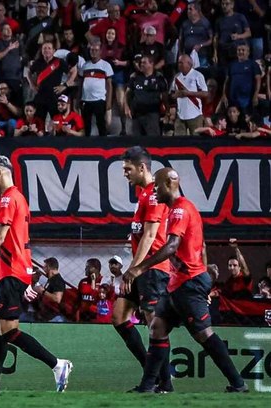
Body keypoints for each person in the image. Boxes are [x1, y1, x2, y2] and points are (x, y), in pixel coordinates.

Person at [123, 167, 247, 393]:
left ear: (170, 184)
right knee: (157, 329)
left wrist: (139, 269)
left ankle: (238, 384)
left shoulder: (181, 209)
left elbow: (171, 246)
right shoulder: (174, 211)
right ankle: (148, 387)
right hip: (177, 283)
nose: (155, 191)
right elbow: (199, 245)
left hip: (189, 284)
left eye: (158, 186)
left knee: (203, 335)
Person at [0, 155, 72, 393]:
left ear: (0, 173)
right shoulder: (16, 197)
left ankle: (57, 364)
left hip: (12, 273)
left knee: (8, 330)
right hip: (7, 273)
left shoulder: (7, 199)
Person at [112, 146, 172, 391]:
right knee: (119, 318)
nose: (125, 174)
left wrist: (133, 269)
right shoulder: (143, 194)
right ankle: (154, 372)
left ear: (142, 167)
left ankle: (165, 384)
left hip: (152, 269)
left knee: (155, 327)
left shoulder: (154, 194)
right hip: (140, 268)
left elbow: (150, 236)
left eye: (128, 169)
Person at [79, 40, 113, 137]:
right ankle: (86, 146)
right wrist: (79, 99)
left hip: (100, 99)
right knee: (86, 125)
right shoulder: (85, 65)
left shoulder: (106, 65)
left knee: (101, 124)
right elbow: (81, 83)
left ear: (100, 51)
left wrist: (109, 102)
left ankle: (104, 146)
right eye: (92, 50)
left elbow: (109, 85)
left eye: (96, 50)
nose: (93, 52)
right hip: (86, 99)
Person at [170, 55, 208, 136]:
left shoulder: (198, 75)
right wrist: (175, 96)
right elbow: (172, 94)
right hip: (180, 115)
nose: (179, 65)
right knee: (179, 142)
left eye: (181, 63)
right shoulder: (177, 77)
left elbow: (205, 93)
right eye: (178, 63)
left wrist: (188, 93)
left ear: (189, 63)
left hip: (195, 115)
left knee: (196, 141)